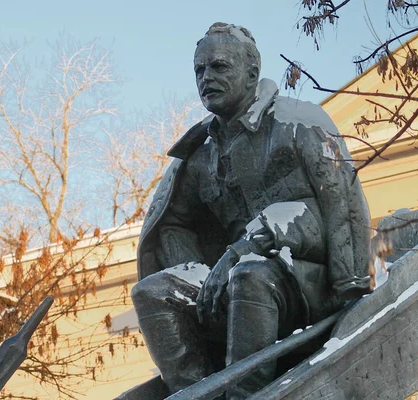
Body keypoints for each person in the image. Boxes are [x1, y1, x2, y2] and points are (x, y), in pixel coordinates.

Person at [131, 22, 372, 399]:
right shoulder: (200, 153)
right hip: (234, 288)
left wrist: (352, 293)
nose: (206, 78)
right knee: (154, 292)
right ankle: (200, 394)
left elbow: (340, 207)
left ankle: (245, 395)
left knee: (251, 273)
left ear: (252, 73)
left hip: (308, 283)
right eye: (199, 70)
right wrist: (200, 271)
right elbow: (172, 224)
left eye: (219, 67)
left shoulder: (298, 122)